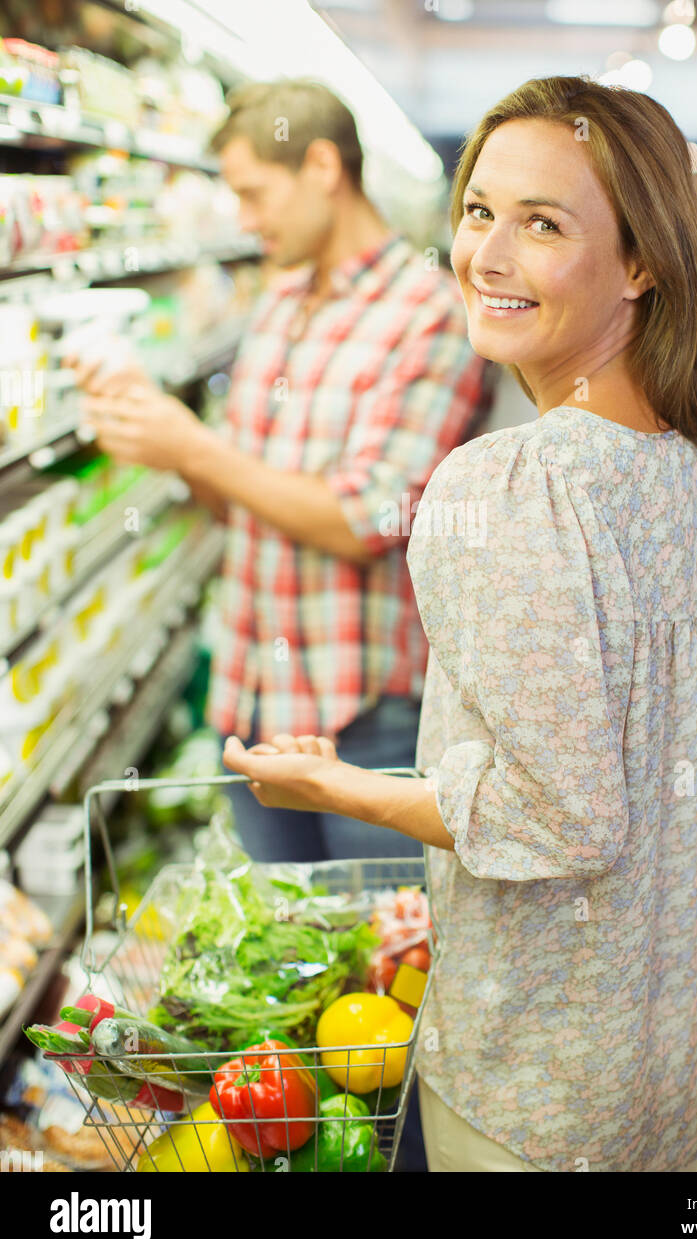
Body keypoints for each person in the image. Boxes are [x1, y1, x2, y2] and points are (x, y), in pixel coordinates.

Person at [222, 74, 697, 1172]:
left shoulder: (507, 489)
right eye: (478, 211)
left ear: (639, 262)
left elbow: (560, 819)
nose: (485, 255)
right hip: (677, 1037)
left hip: (541, 1076)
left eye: (541, 224)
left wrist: (332, 785)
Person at [72, 78, 496, 865]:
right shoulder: (280, 298)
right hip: (253, 699)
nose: (243, 219)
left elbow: (365, 520)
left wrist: (195, 447)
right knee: (281, 947)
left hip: (362, 709)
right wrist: (156, 435)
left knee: (374, 956)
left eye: (254, 193)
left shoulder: (428, 314)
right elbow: (242, 498)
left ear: (324, 168)